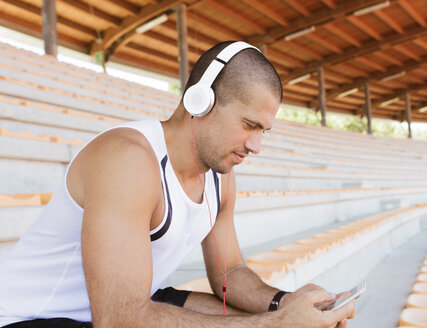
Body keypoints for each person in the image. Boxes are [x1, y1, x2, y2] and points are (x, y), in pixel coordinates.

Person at [0, 41, 355, 328]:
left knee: (261, 317)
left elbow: (229, 275)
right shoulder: (129, 159)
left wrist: (285, 304)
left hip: (125, 305)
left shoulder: (221, 177)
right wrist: (278, 324)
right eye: (249, 124)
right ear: (201, 101)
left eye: (264, 130)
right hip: (31, 317)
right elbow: (119, 320)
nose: (256, 145)